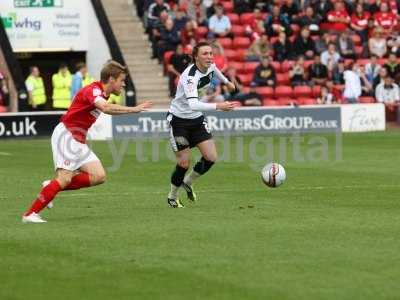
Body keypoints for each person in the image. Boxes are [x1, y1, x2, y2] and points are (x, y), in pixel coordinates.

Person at [22, 61, 152, 223]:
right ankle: (30, 214)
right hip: (67, 135)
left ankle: (50, 186)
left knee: (99, 176)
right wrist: (134, 109)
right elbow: (105, 108)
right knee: (64, 178)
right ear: (111, 79)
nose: (124, 84)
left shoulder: (103, 94)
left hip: (77, 140)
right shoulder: (94, 90)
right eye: (122, 80)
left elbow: (108, 109)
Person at [166, 42, 236, 208]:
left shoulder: (210, 65)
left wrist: (227, 82)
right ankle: (172, 196)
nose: (209, 57)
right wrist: (218, 106)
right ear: (195, 57)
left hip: (197, 120)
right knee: (184, 163)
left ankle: (188, 183)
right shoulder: (189, 77)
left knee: (211, 157)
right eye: (205, 54)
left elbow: (216, 69)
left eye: (211, 53)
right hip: (179, 121)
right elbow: (193, 105)